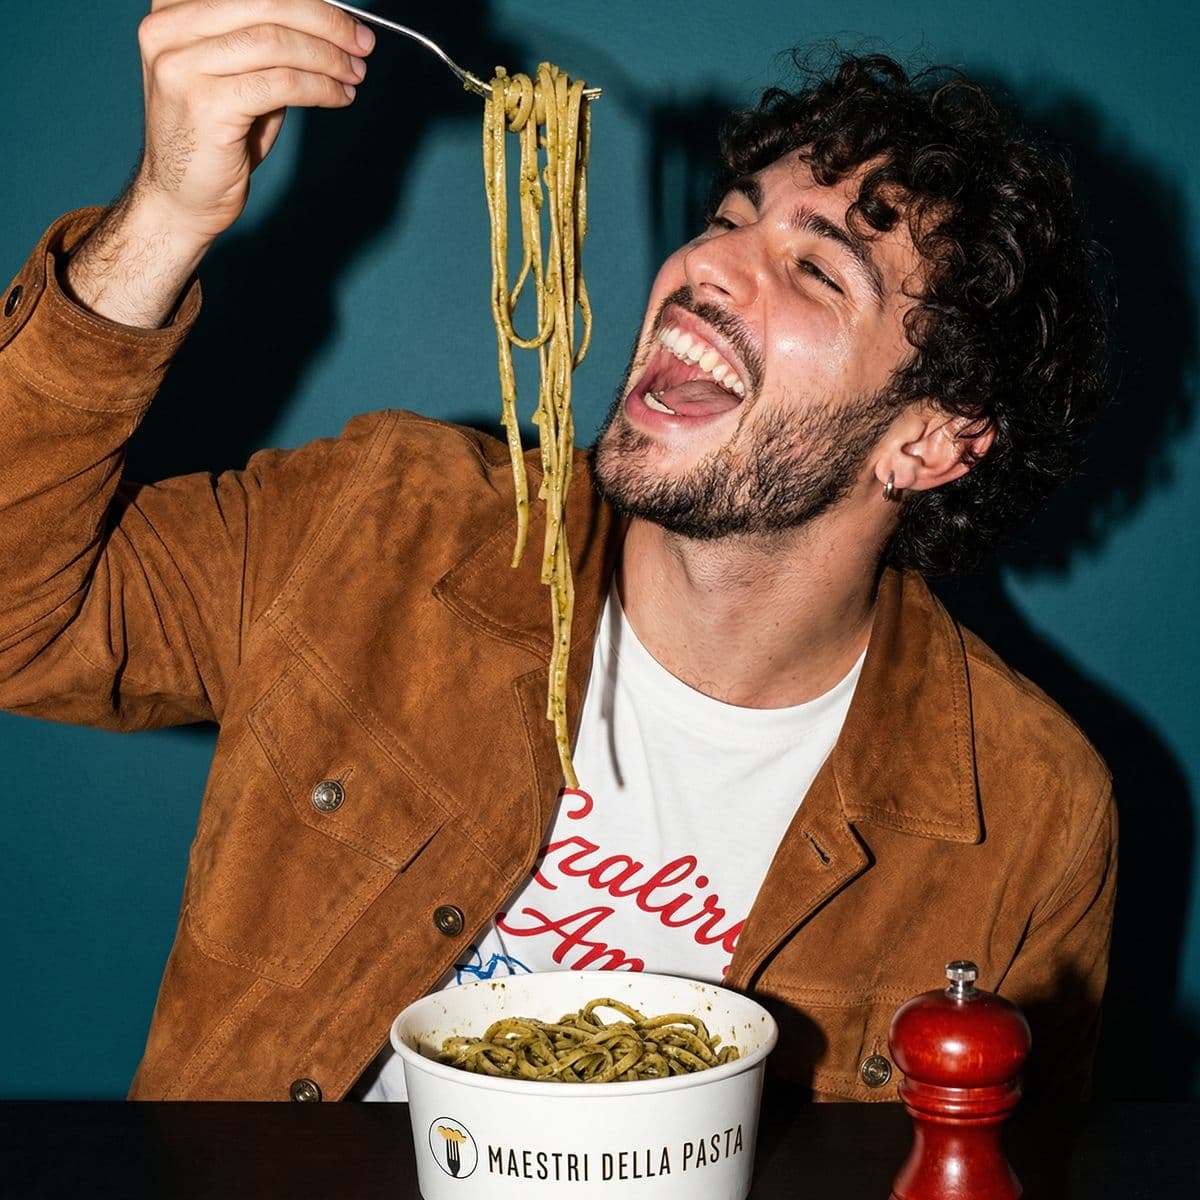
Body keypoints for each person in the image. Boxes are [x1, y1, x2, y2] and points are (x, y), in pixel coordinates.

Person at [0, 0, 1113, 1103]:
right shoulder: (382, 524)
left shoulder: (1030, 813)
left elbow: (994, 1165)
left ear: (933, 439)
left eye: (819, 272)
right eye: (729, 217)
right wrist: (164, 218)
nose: (707, 266)